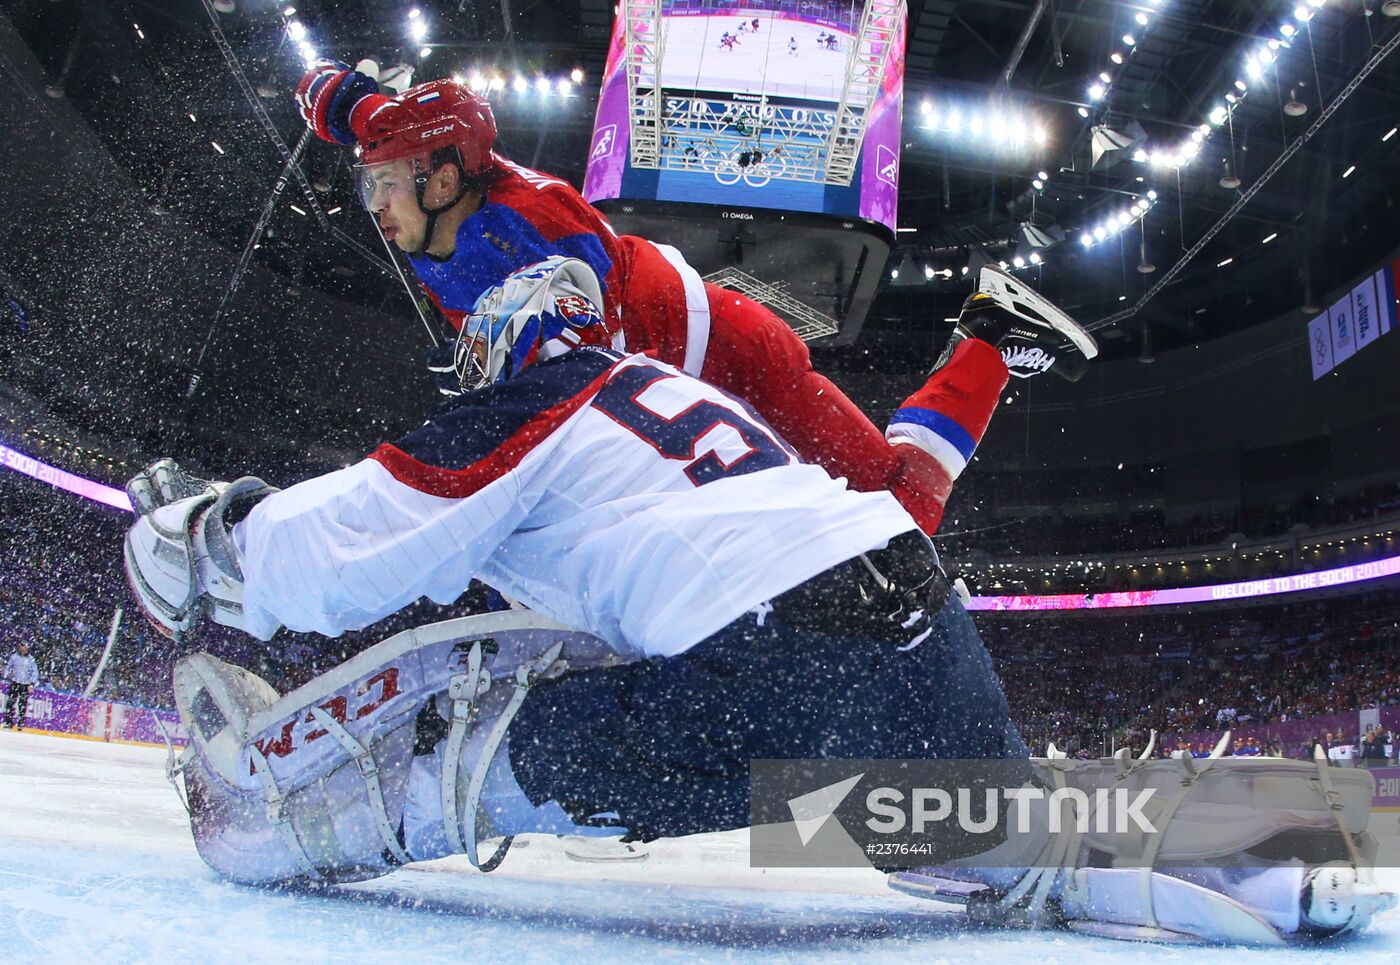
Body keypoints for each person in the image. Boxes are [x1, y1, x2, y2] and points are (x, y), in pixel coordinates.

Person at [124, 260, 1393, 943]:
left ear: (509, 346)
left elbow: (356, 539)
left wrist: (211, 540)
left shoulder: (540, 398)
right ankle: (1278, 851)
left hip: (770, 649)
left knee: (501, 738)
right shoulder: (679, 407)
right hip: (908, 609)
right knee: (995, 834)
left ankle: (280, 831)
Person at [293, 67, 1096, 537]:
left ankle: (989, 340)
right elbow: (361, 109)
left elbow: (591, 391)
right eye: (370, 183)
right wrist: (339, 98)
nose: (374, 204)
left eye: (384, 184)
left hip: (735, 362)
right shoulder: (433, 182)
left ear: (442, 178)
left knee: (899, 516)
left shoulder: (539, 226)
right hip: (682, 373)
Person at [2, 642, 39, 730]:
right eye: (21, 647)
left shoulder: (31, 659)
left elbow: (35, 672)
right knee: (10, 703)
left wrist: (32, 683)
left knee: (22, 704)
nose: (22, 649)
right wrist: (6, 675)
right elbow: (8, 667)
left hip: (25, 684)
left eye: (24, 647)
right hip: (15, 682)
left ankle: (20, 722)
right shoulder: (14, 657)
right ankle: (9, 722)